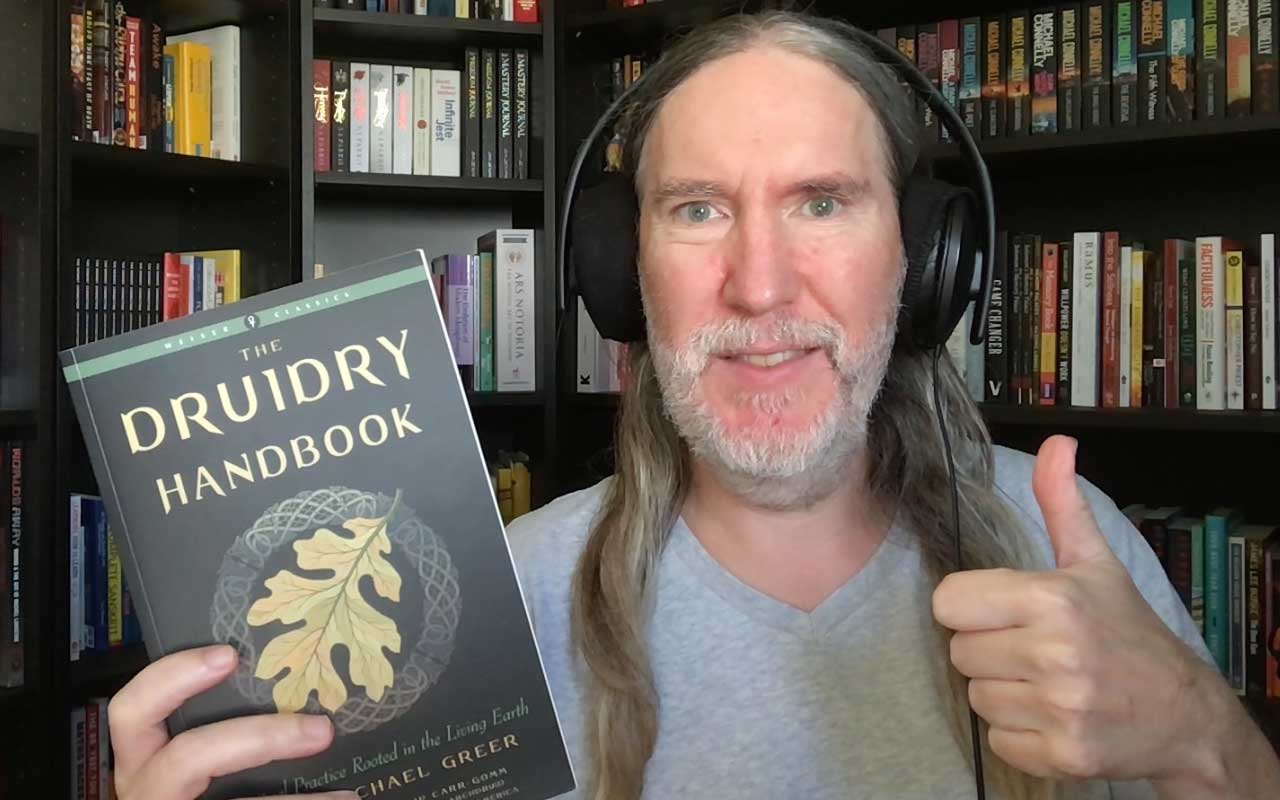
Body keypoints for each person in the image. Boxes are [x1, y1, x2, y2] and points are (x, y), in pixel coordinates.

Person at [106, 10, 1280, 800]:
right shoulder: (480, 605)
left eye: (821, 202)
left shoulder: (1068, 544)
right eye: (698, 209)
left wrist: (1203, 730)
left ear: (927, 261)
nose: (759, 284)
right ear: (621, 273)